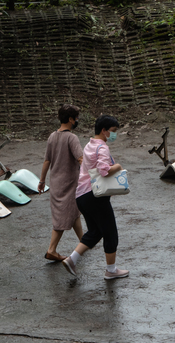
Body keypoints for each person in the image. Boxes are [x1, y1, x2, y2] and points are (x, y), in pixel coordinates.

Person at [62, 115, 129, 280]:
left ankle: (72, 259)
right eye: (112, 131)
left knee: (96, 231)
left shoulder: (89, 145)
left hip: (82, 196)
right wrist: (118, 166)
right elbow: (104, 170)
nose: (114, 135)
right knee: (110, 232)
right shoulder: (102, 147)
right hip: (95, 196)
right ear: (104, 130)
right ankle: (111, 270)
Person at [39, 104, 84, 262]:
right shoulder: (71, 138)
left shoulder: (52, 136)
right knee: (62, 218)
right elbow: (80, 158)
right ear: (71, 119)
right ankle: (51, 250)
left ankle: (84, 241)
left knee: (73, 212)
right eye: (76, 117)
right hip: (70, 184)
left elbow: (47, 160)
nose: (78, 120)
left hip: (56, 183)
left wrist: (42, 180)